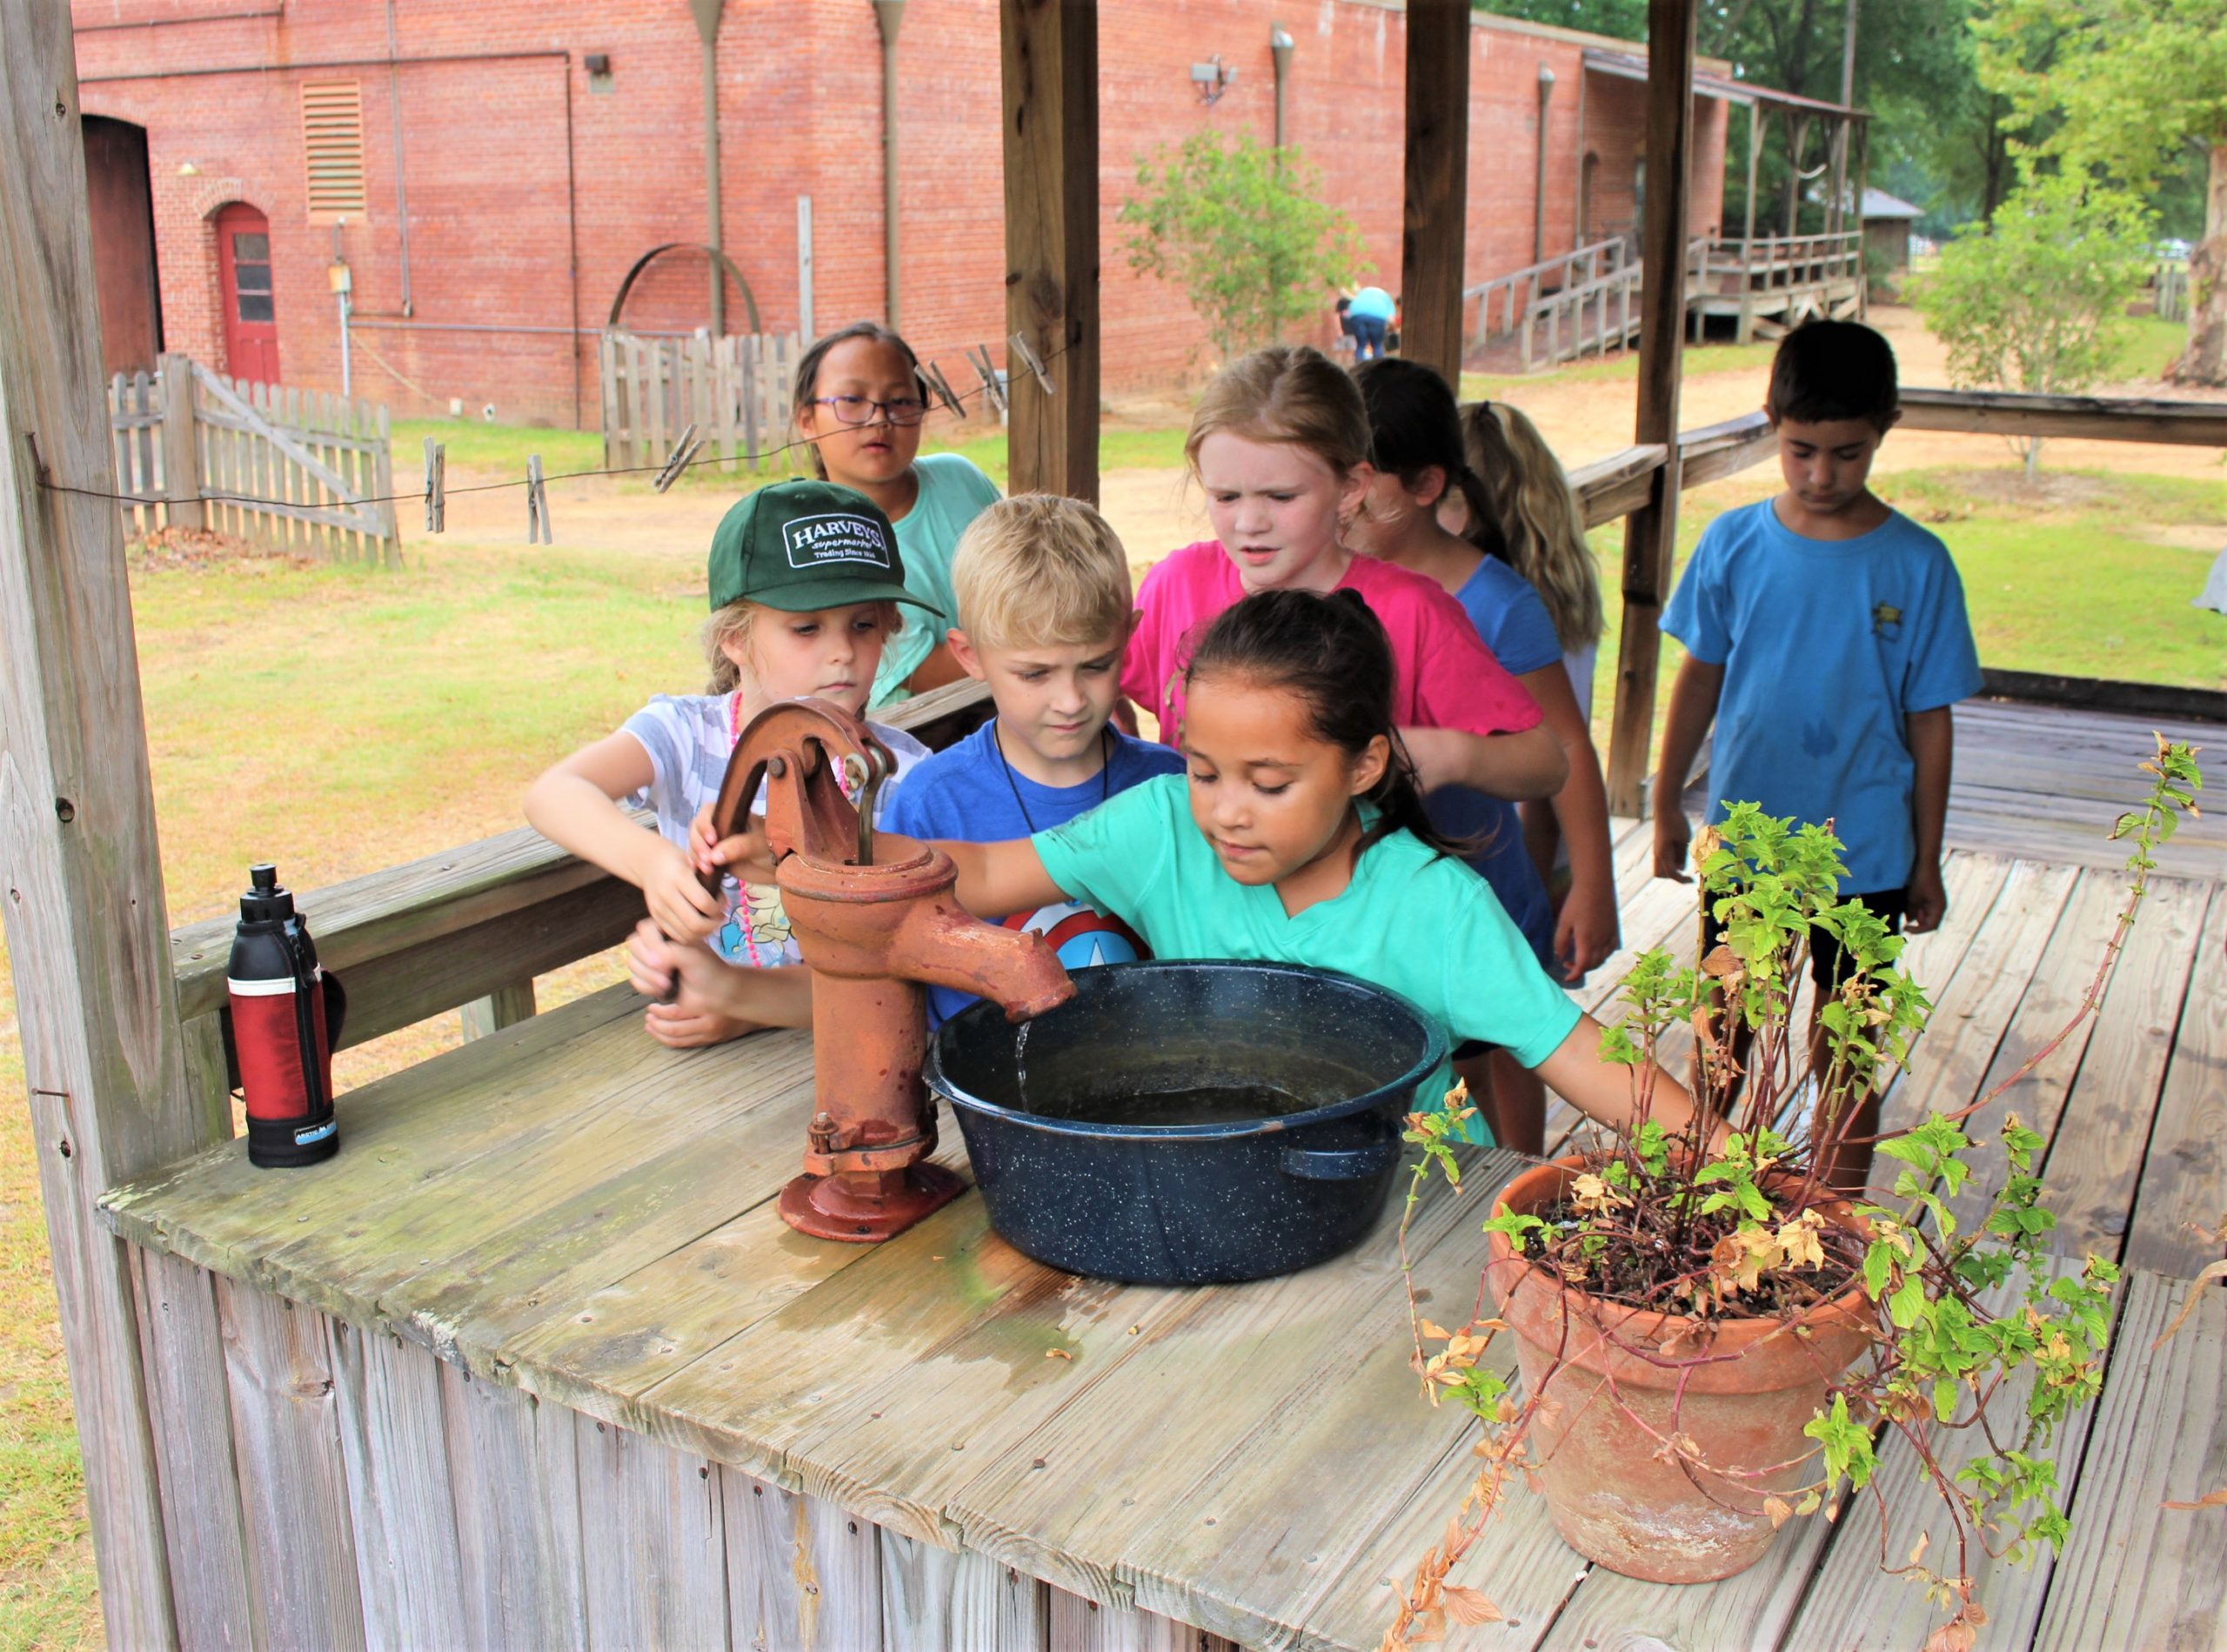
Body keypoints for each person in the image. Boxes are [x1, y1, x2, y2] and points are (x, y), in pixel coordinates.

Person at [708, 591, 1706, 1149]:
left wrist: (1752, 1185)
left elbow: (1588, 1067)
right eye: (1202, 769)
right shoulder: (1158, 831)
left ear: (1363, 764)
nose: (1224, 810)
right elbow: (971, 873)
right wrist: (819, 841)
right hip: (1217, 1177)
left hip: (1408, 1219)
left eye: (1268, 782)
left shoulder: (1432, 910)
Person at [1652, 319, 1983, 1192]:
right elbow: (1697, 681)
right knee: (1725, 1031)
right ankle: (1706, 1195)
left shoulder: (1916, 564)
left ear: (1886, 428)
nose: (1821, 475)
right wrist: (1661, 802)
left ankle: (1832, 1221)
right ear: (1770, 421)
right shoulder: (1732, 544)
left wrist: (1925, 858)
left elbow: (1929, 721)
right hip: (1750, 846)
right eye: (1801, 450)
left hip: (1867, 850)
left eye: (1847, 452)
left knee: (1846, 1043)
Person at [525, 479, 933, 1048]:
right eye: (807, 627)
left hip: (846, 1048)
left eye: (862, 625)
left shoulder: (903, 777)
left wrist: (743, 1001)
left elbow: (897, 967)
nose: (842, 652)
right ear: (735, 639)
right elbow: (554, 792)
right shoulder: (684, 735)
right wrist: (653, 865)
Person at [1122, 344, 1567, 830]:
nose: (1250, 522)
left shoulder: (1412, 612)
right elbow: (1096, 686)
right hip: (1206, 894)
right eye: (1226, 497)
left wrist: (1448, 752)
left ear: (1351, 487)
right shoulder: (1176, 584)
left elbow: (1544, 762)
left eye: (1281, 496)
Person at [1349, 358, 1619, 1156]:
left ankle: (1516, 1193)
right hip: (1384, 892)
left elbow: (1565, 743)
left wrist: (1594, 883)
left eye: (1362, 479)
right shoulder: (1332, 587)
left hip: (1488, 885)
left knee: (1502, 1067)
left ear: (1427, 484)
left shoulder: (1498, 603)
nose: (1340, 497)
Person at [880, 494, 1185, 1027]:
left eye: (1095, 665)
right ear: (969, 656)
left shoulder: (1169, 784)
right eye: (1034, 674)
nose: (1070, 700)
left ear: (1128, 636)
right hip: (985, 1097)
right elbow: (889, 976)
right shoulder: (932, 803)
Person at [1451, 400, 1611, 923]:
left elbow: (1546, 762)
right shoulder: (1563, 588)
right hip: (1559, 851)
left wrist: (1535, 881)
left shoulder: (1497, 609)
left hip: (1514, 865)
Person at [791, 321, 1002, 707]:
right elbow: (928, 673)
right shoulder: (827, 546)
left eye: (901, 401)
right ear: (807, 419)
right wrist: (1042, 645)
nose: (879, 419)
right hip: (918, 737)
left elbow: (1028, 578)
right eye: (851, 400)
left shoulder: (960, 478)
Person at [1346, 284, 1395, 360]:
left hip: (1357, 314)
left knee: (1361, 345)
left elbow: (1348, 313)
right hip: (1378, 316)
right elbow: (1391, 319)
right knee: (1377, 345)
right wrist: (1391, 330)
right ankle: (1378, 367)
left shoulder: (1361, 294)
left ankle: (1358, 367)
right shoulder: (1386, 297)